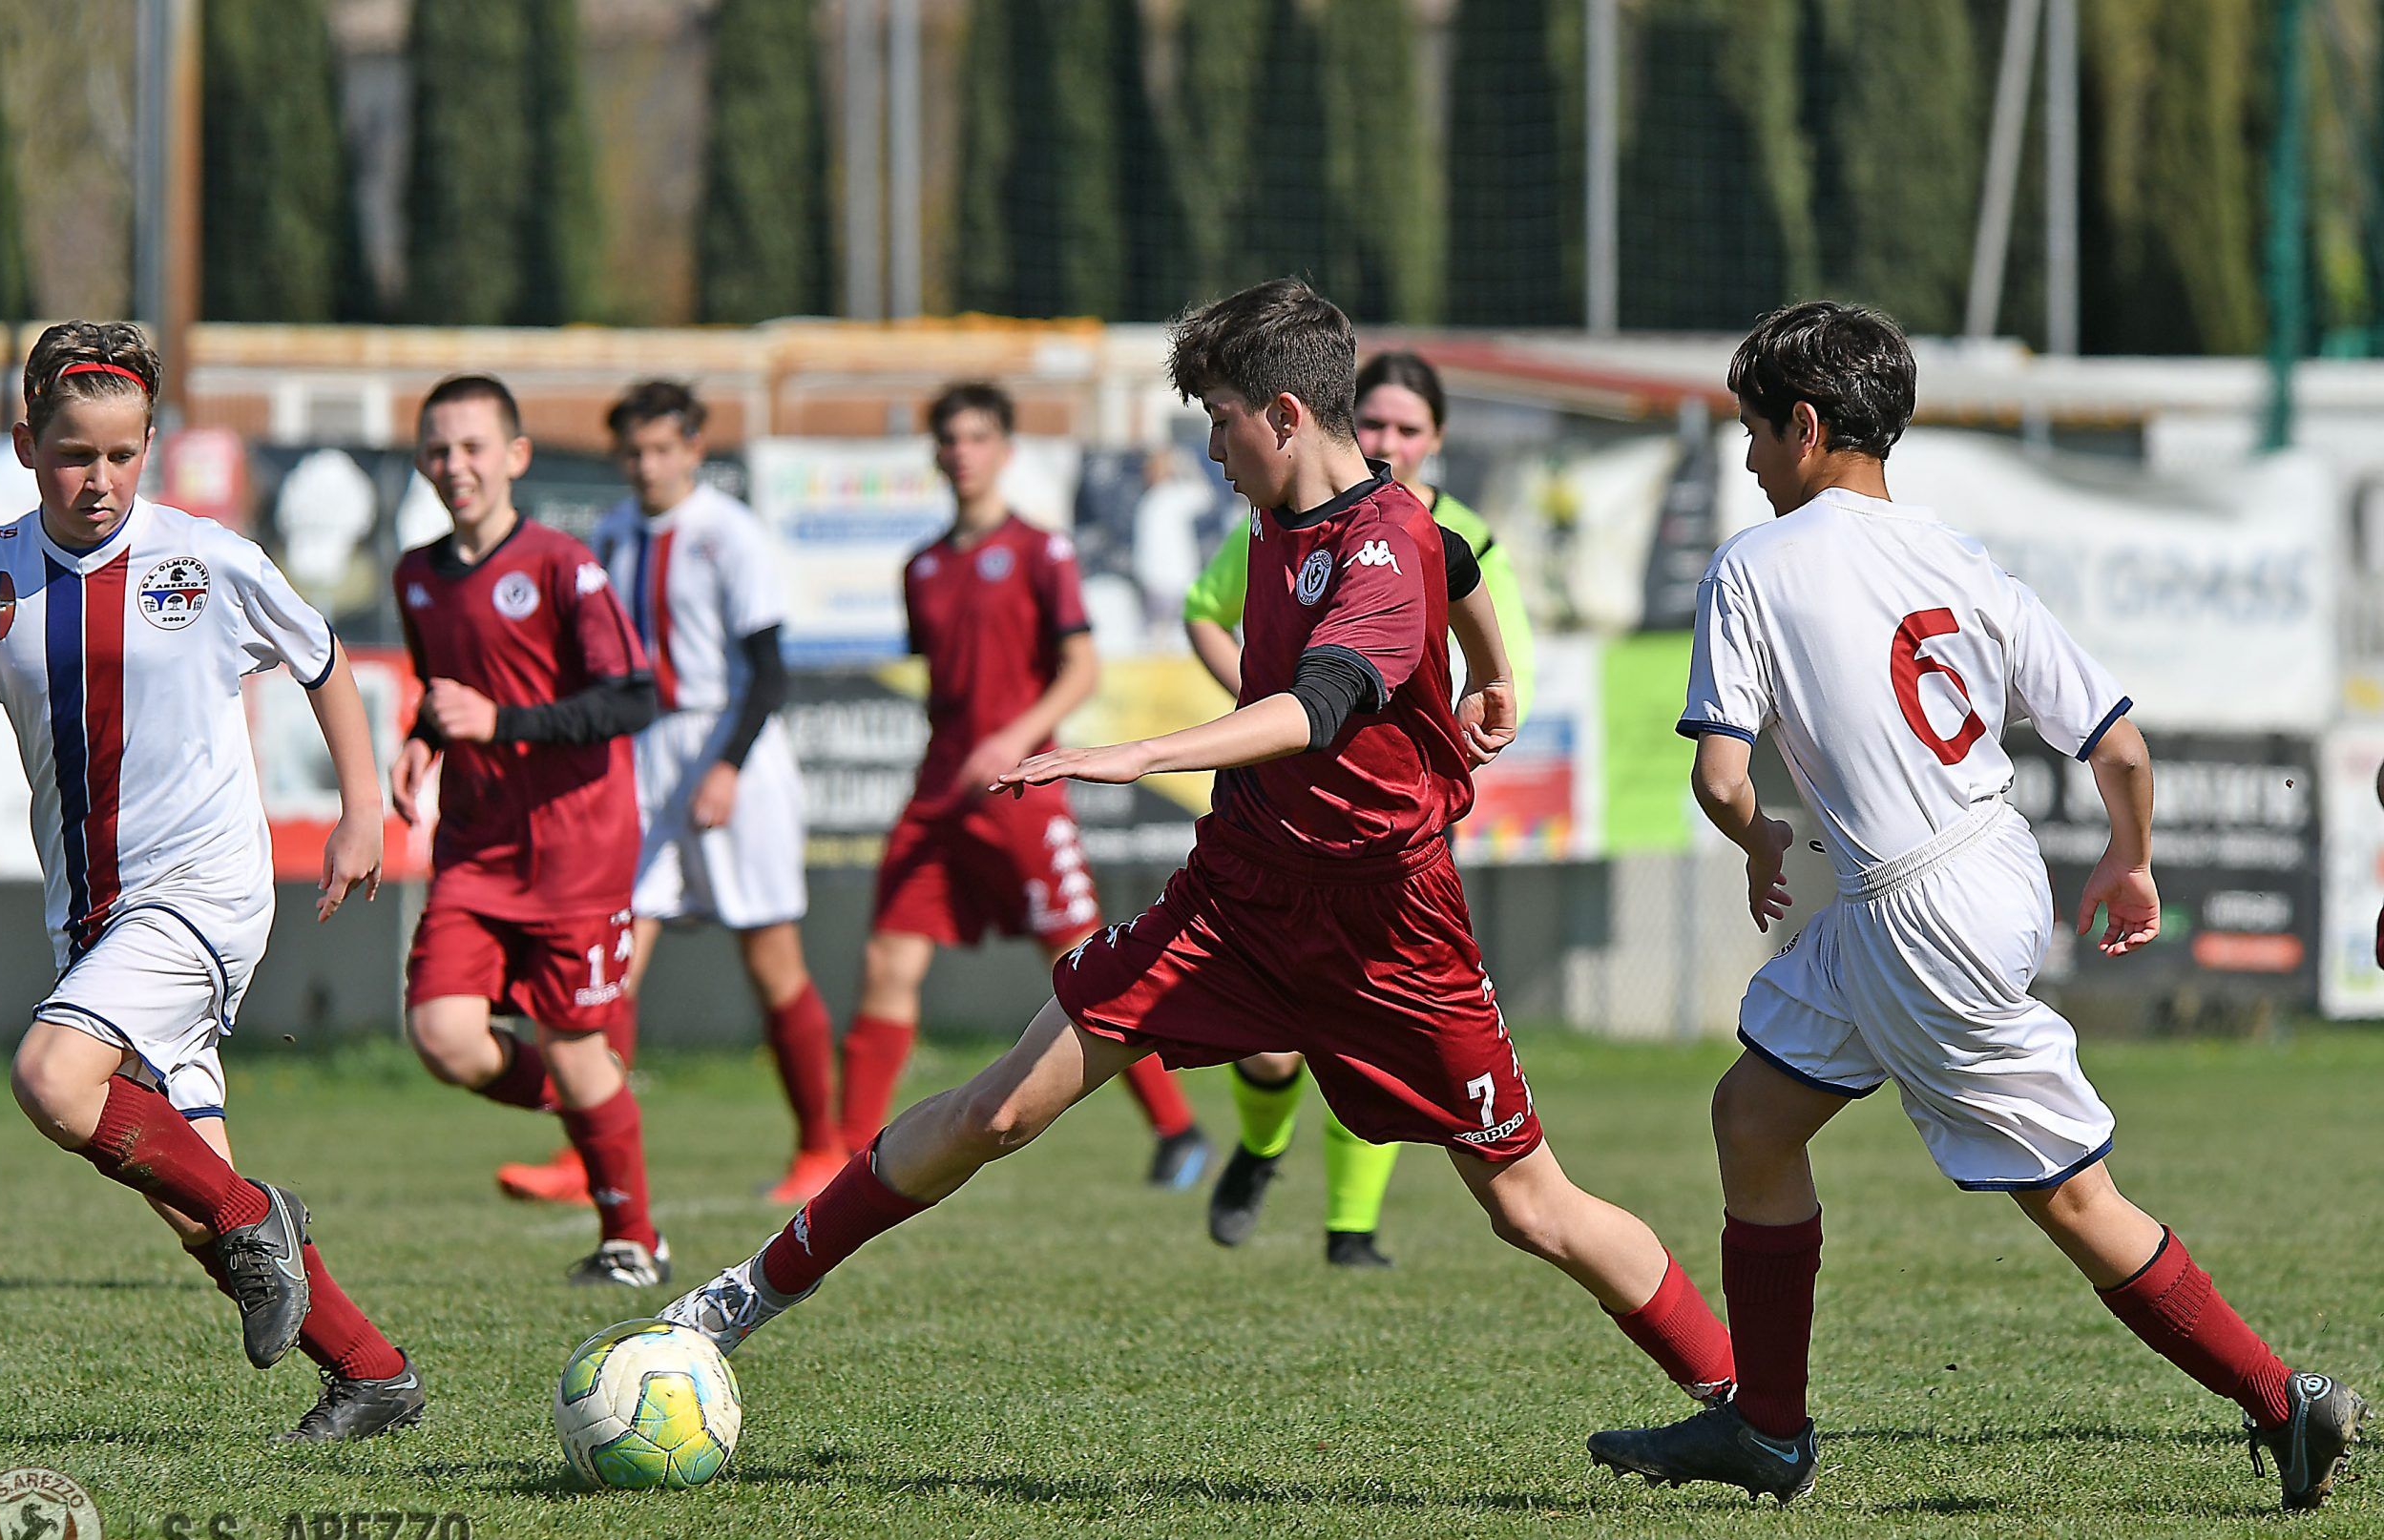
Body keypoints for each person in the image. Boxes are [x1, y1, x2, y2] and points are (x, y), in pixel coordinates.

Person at [652, 280, 1735, 1425]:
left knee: (1530, 1207)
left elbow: (1321, 703)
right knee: (1001, 1110)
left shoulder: (1377, 544)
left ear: (1280, 412)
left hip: (1391, 930)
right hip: (1236, 900)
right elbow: (1460, 571)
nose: (1211, 448)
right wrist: (1491, 669)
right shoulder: (1299, 517)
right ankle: (741, 1298)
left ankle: (1743, 1403)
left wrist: (1134, 753)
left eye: (1218, 419)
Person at [1586, 301, 2366, 1509]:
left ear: (1804, 426)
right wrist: (2131, 859)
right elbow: (2117, 746)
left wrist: (1755, 840)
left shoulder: (1753, 564)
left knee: (2069, 1197)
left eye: (1751, 432)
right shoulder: (1958, 559)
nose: (1745, 460)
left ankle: (2285, 1404)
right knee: (1750, 1115)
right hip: (1978, 868)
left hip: (1913, 916)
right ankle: (1770, 1430)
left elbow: (1721, 778)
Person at [0, 322, 421, 1441]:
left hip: (201, 890)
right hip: (93, 919)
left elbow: (323, 659)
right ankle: (372, 1373)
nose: (100, 479)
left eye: (123, 453)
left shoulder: (204, 561)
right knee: (185, 1190)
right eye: (74, 453)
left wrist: (361, 810)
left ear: (149, 446)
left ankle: (263, 1220)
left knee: (54, 1080)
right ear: (25, 444)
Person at [1183, 349, 1538, 1267]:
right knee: (1268, 1049)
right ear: (1340, 420)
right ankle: (1261, 1147)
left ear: (1437, 440)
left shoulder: (1440, 530)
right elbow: (1206, 608)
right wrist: (1267, 703)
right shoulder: (1280, 509)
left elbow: (1478, 603)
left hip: (1392, 826)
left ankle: (1351, 1228)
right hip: (1279, 814)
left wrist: (1489, 691)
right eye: (1374, 423)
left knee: (1370, 1049)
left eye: (1407, 429)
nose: (1389, 442)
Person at [836, 380, 1210, 1188]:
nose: (963, 452)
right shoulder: (923, 566)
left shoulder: (1043, 551)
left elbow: (1080, 668)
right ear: (937, 453)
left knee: (1081, 964)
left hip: (1023, 791)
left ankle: (1176, 1128)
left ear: (1003, 450)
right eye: (950, 439)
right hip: (940, 792)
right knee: (887, 962)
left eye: (978, 437)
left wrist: (1010, 738)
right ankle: (844, 1160)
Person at [497, 382, 842, 1209]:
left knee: (772, 960)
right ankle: (590, 1156)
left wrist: (726, 766)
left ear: (694, 449)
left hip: (730, 750)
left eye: (664, 449)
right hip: (642, 755)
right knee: (610, 963)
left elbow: (768, 673)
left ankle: (821, 1147)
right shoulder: (612, 533)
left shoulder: (732, 534)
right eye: (635, 452)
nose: (649, 465)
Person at [389, 374, 671, 1288]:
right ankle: (594, 1101)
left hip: (578, 849)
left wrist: (497, 724)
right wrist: (421, 740)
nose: (454, 464)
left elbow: (630, 698)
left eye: (473, 446)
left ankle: (632, 1240)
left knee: (576, 1042)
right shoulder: (417, 575)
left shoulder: (561, 564)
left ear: (515, 456)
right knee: (443, 1036)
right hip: (477, 844)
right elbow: (451, 694)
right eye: (438, 447)